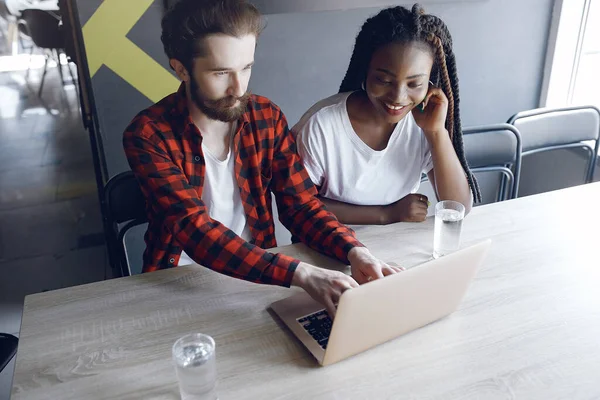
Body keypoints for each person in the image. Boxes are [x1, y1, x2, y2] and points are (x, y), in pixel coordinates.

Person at [122, 0, 401, 316]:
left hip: (259, 280)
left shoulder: (265, 117)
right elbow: (195, 230)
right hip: (175, 286)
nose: (238, 88)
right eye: (221, 72)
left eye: (246, 67)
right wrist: (300, 273)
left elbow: (301, 206)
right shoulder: (147, 134)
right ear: (181, 69)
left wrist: (355, 251)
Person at [293, 4, 480, 225]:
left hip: (395, 249)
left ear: (430, 82)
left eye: (415, 84)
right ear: (366, 71)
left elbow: (459, 207)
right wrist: (386, 214)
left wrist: (436, 132)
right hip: (328, 249)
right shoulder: (320, 126)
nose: (398, 97)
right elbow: (299, 205)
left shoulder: (424, 123)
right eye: (384, 80)